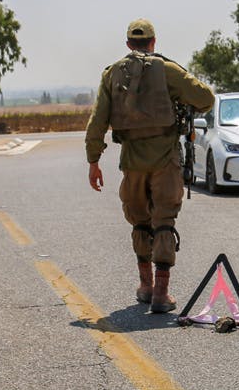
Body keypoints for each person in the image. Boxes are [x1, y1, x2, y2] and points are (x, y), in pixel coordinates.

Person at [86, 19, 215, 313]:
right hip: (165, 159)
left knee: (140, 221)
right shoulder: (168, 70)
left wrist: (94, 161)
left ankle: (144, 285)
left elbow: (97, 122)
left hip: (131, 160)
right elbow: (205, 98)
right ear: (153, 42)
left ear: (129, 44)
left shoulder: (112, 74)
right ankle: (161, 293)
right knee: (164, 221)